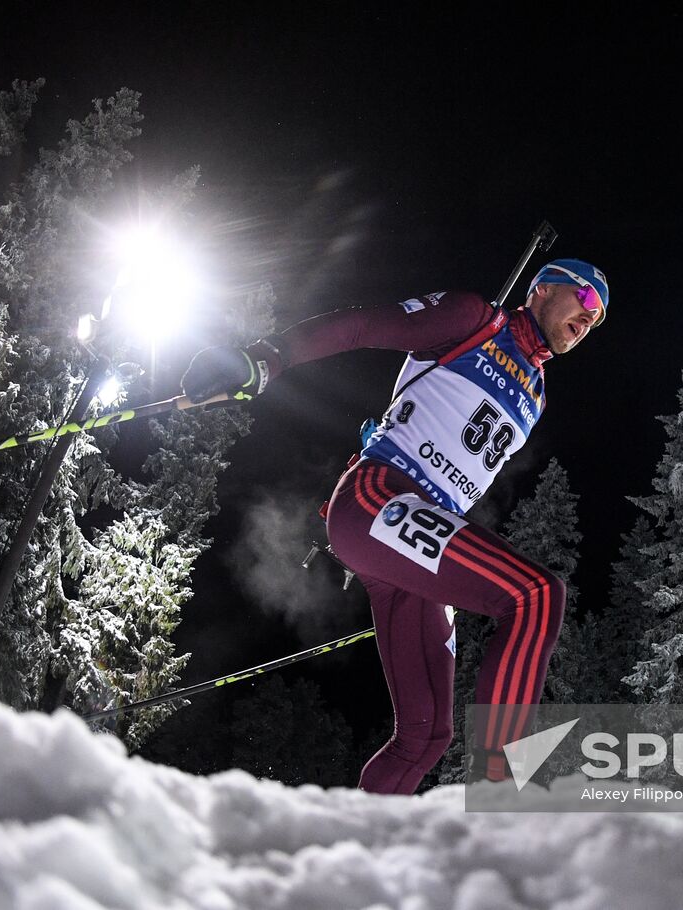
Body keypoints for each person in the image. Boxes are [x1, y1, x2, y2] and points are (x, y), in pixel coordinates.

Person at [182, 258, 608, 794]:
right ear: (544, 288)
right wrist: (267, 358)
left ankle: (352, 855)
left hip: (417, 535)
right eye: (587, 301)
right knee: (536, 596)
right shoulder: (475, 319)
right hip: (378, 495)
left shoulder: (538, 392)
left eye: (600, 319)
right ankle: (504, 789)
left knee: (427, 735)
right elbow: (363, 326)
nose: (591, 320)